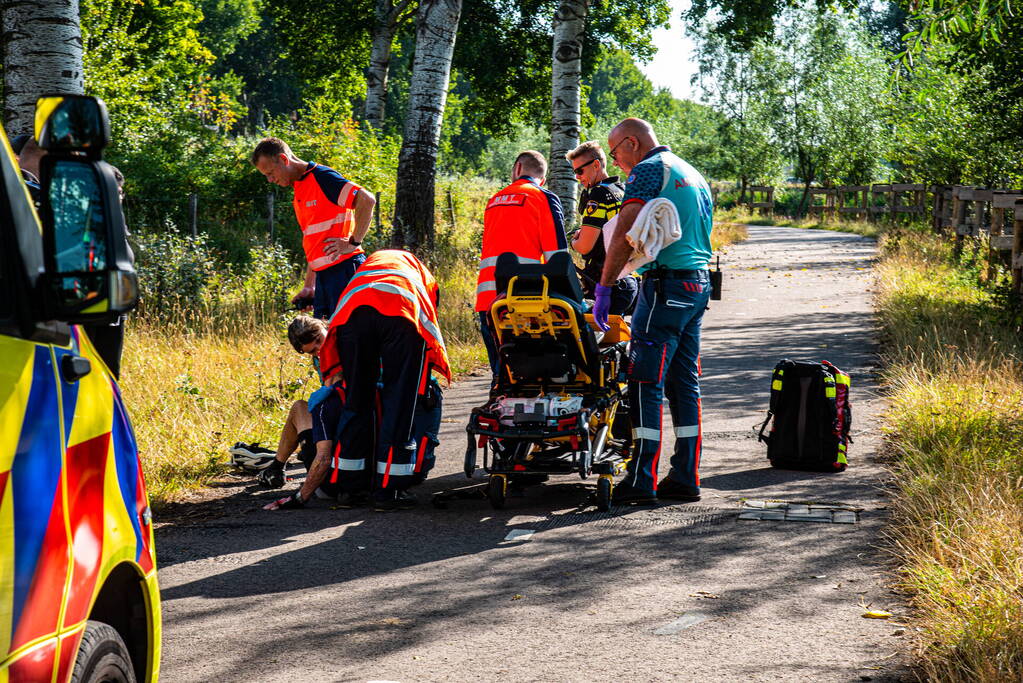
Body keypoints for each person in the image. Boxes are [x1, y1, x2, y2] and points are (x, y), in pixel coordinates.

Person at [266, 250, 450, 512]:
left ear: (325, 329)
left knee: (357, 404)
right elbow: (426, 322)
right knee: (397, 403)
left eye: (319, 343)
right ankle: (389, 489)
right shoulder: (414, 278)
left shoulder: (347, 315)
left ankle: (351, 488)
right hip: (399, 313)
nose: (319, 351)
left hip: (356, 317)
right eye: (312, 351)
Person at [596, 118, 714, 505]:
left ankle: (641, 479)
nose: (617, 165)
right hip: (696, 285)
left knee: (646, 381)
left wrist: (605, 286)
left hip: (664, 286)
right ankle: (685, 475)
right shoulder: (691, 171)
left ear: (632, 142)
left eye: (616, 154)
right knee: (684, 382)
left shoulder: (649, 170)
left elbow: (626, 230)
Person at [250, 137, 375, 319]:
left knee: (349, 342)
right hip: (326, 278)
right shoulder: (299, 188)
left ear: (284, 159)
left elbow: (367, 200)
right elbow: (315, 240)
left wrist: (353, 242)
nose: (270, 180)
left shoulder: (322, 177)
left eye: (270, 172)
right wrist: (310, 286)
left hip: (344, 271)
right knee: (326, 344)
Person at [476, 150, 567, 377]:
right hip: (524, 303)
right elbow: (558, 258)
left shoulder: (494, 200)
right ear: (542, 179)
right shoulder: (542, 197)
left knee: (501, 377)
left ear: (517, 169)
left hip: (487, 301)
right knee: (528, 377)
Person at [565, 140, 637, 315]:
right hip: (627, 280)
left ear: (596, 165)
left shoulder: (598, 194)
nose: (577, 176)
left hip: (607, 283)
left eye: (580, 171)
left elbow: (584, 246)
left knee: (589, 339)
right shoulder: (621, 190)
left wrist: (574, 240)